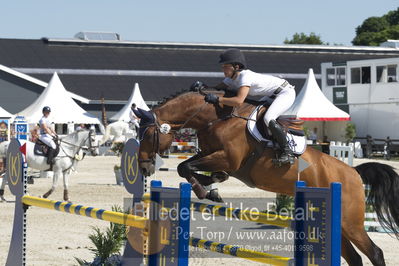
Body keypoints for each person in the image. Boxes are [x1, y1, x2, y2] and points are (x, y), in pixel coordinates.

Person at [191, 48, 296, 165]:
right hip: (271, 95)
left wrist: (218, 99)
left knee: (268, 118)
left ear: (236, 67)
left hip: (284, 93)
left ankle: (288, 152)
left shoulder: (245, 77)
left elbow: (238, 101)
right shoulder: (230, 79)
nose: (223, 68)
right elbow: (217, 89)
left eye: (226, 66)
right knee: (254, 116)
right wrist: (202, 89)